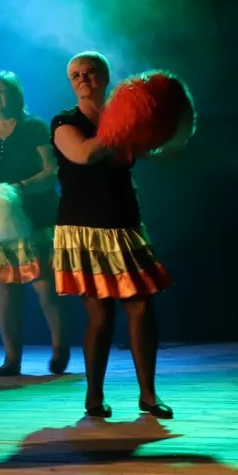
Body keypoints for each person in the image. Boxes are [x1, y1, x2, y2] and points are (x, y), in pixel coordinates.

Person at [51, 52, 173, 419]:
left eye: (90, 72)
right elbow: (84, 154)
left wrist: (163, 130)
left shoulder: (123, 118)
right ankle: (94, 397)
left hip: (124, 222)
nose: (83, 78)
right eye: (76, 75)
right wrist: (123, 123)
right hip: (84, 228)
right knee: (100, 316)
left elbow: (153, 152)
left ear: (105, 78)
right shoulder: (64, 121)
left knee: (141, 306)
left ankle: (148, 395)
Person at [0, 71, 68, 377]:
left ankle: (60, 348)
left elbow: (51, 170)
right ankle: (12, 358)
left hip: (34, 216)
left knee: (44, 285)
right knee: (4, 288)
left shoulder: (35, 127)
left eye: (1, 90)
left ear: (16, 95)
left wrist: (20, 188)